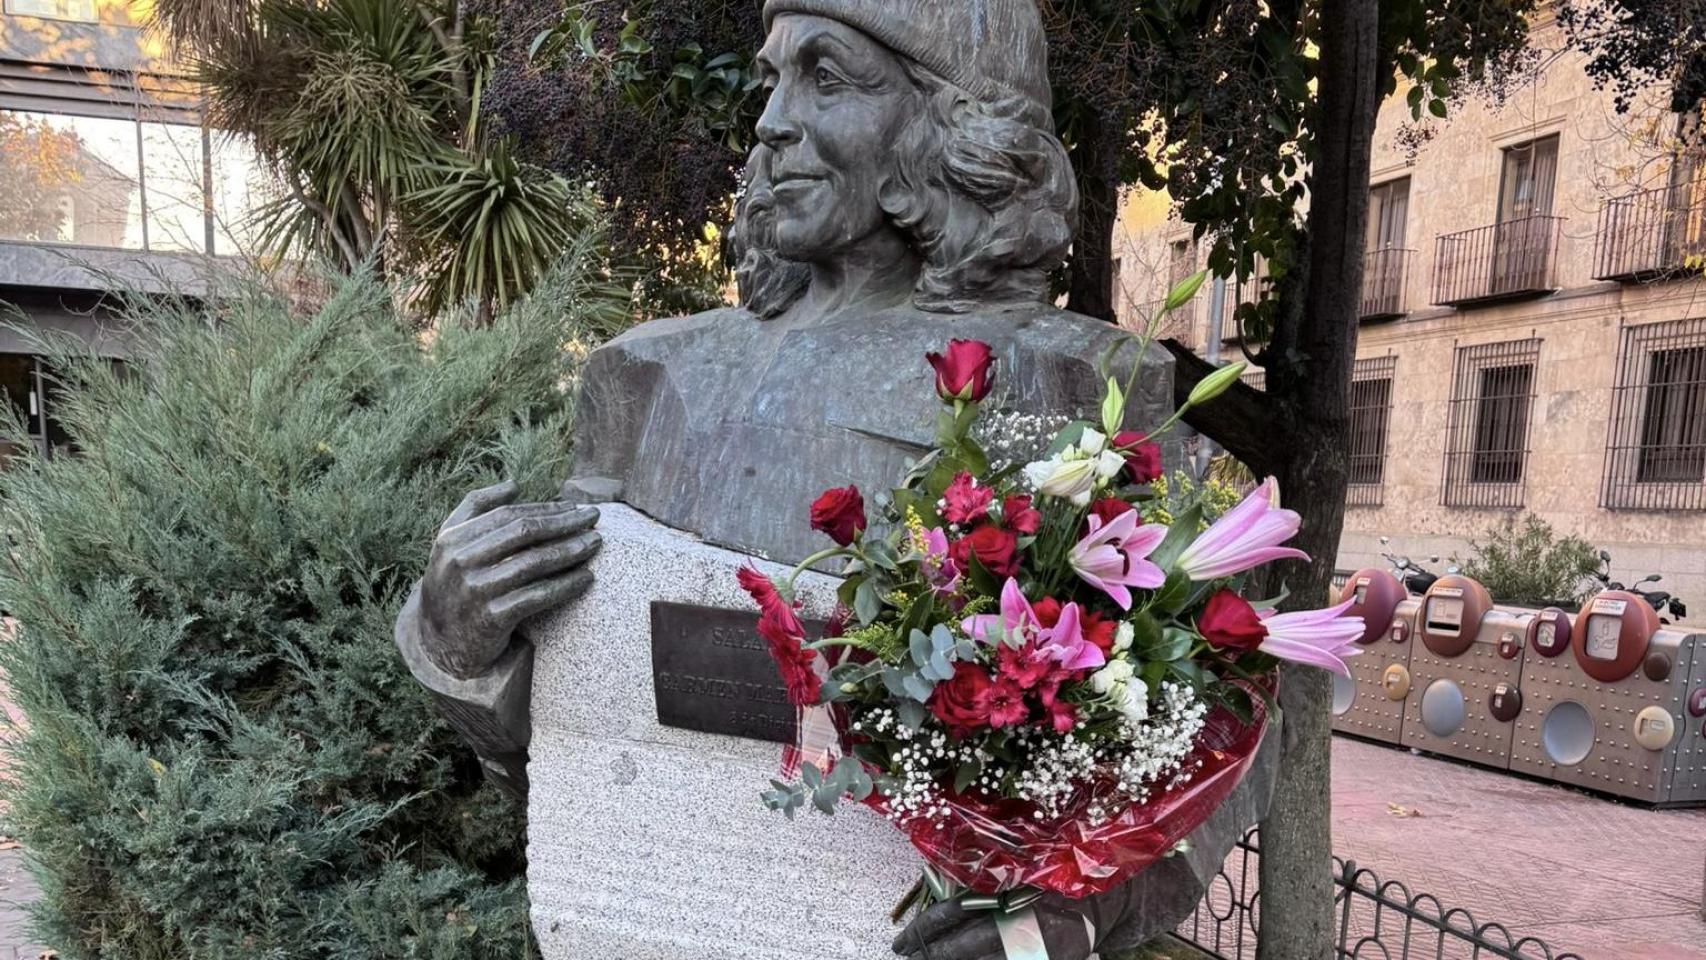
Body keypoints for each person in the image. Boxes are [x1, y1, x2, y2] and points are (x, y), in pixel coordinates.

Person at [395, 2, 1259, 956]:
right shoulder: (646, 378)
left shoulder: (1072, 382)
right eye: (774, 80)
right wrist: (458, 649)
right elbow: (585, 728)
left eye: (828, 77)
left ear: (951, 123)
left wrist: (1081, 915)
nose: (771, 122)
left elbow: (1233, 710)